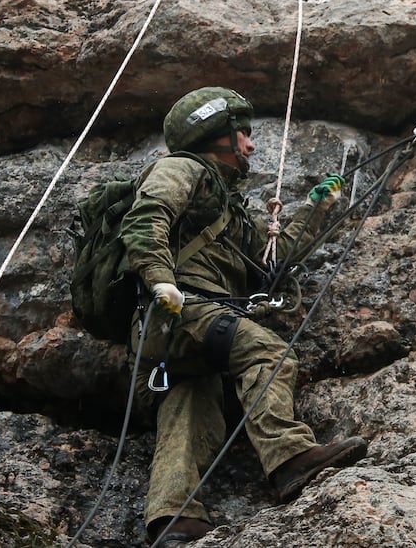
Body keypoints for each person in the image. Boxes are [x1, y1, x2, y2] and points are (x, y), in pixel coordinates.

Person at [121, 87, 367, 547]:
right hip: (180, 306)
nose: (251, 146)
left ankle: (173, 519)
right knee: (269, 353)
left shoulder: (230, 212)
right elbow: (147, 217)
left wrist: (317, 209)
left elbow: (270, 266)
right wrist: (160, 279)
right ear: (216, 137)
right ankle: (289, 454)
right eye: (243, 135)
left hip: (174, 329)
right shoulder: (181, 169)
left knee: (189, 406)